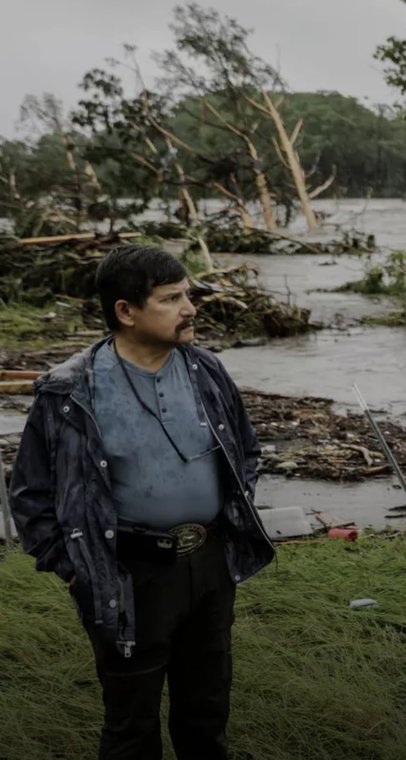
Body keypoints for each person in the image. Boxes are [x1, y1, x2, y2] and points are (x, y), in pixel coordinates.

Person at [9, 245, 275, 759]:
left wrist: (229, 525)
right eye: (171, 298)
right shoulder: (69, 391)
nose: (191, 308)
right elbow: (30, 495)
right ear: (125, 312)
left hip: (208, 568)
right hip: (127, 573)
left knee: (206, 711)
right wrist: (75, 568)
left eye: (189, 295)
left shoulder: (207, 371)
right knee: (131, 723)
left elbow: (245, 451)